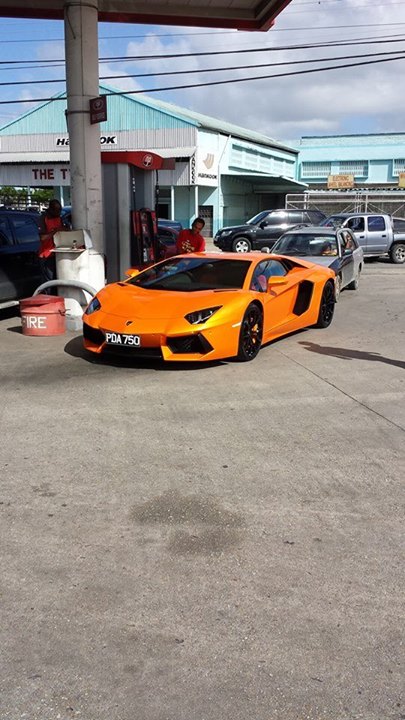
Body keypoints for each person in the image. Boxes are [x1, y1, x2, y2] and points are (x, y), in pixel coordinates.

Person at [37, 199, 68, 289]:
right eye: (57, 210)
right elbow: (42, 237)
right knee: (49, 283)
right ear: (51, 209)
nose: (59, 213)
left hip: (58, 254)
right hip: (47, 255)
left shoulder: (59, 218)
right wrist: (55, 231)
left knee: (58, 282)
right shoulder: (43, 218)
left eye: (60, 210)